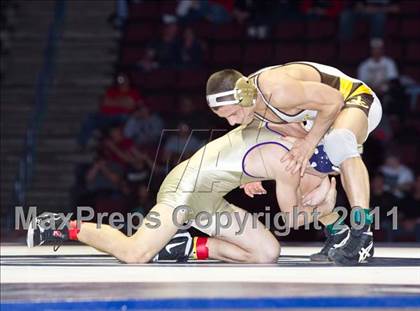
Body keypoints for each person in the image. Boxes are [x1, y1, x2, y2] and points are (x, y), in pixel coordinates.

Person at [27, 120, 341, 264]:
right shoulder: (288, 156)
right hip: (185, 190)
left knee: (265, 253)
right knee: (135, 254)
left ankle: (185, 247)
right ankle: (61, 226)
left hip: (210, 199)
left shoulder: (284, 132)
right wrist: (323, 204)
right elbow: (293, 221)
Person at [205, 61, 382, 265]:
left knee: (339, 140)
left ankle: (363, 235)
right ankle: (338, 231)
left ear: (245, 96)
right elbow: (296, 136)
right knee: (293, 168)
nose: (232, 122)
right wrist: (252, 176)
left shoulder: (276, 90)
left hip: (353, 98)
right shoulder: (252, 116)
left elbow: (335, 101)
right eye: (225, 117)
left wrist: (309, 144)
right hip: (321, 120)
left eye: (233, 113)